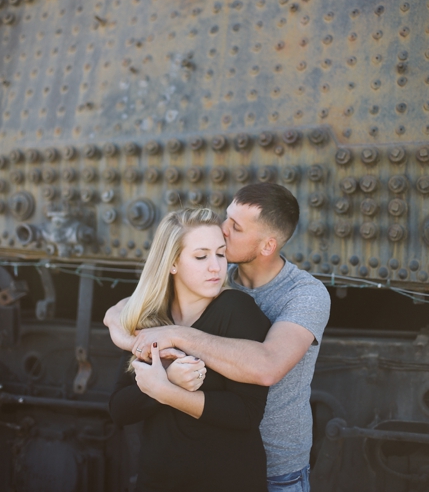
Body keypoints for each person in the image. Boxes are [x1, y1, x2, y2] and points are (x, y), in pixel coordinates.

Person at [105, 183, 331, 492]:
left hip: (277, 469)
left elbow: (267, 367)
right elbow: (119, 313)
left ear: (267, 246)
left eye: (235, 227)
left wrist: (172, 338)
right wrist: (136, 340)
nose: (222, 230)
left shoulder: (303, 294)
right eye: (227, 218)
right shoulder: (212, 283)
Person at [109, 207, 271, 492]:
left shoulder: (237, 310)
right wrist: (168, 378)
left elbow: (247, 413)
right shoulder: (150, 319)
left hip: (227, 483)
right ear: (172, 263)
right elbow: (119, 410)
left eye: (220, 254)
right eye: (201, 256)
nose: (216, 267)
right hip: (157, 482)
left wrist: (166, 391)